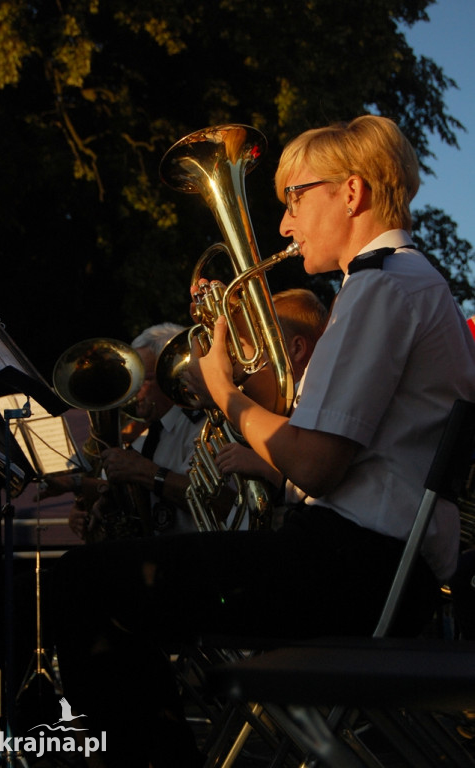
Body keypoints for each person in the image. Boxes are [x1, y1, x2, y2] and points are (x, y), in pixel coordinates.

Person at [51, 115, 475, 768]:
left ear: (353, 192)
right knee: (107, 583)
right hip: (372, 566)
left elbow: (317, 465)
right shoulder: (404, 284)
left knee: (87, 585)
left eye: (295, 197)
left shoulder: (383, 288)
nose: (283, 224)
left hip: (356, 569)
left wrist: (226, 394)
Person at [67, 322, 208, 539]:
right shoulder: (144, 440)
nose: (132, 391)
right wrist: (92, 509)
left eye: (145, 380)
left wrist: (145, 472)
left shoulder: (200, 428)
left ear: (171, 376)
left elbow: (209, 497)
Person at [214, 287, 327, 498]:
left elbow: (315, 481)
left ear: (296, 349)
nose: (244, 357)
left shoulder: (312, 400)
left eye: (261, 344)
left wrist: (263, 465)